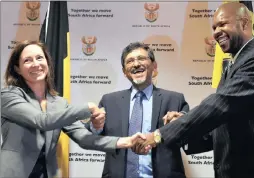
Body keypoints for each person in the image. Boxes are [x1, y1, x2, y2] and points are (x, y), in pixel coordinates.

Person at [132, 2, 254, 178]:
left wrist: (158, 136)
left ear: (245, 23)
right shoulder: (231, 65)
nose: (216, 32)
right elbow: (223, 121)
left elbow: (220, 105)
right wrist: (185, 124)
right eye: (214, 27)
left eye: (223, 24)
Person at [0, 40, 147, 178]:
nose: (35, 64)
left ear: (47, 62)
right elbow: (41, 121)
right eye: (27, 60)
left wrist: (127, 142)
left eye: (39, 58)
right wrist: (88, 107)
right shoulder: (9, 95)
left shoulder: (59, 103)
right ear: (17, 69)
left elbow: (84, 139)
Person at [89, 42, 189, 178]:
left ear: (154, 66)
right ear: (124, 72)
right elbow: (94, 138)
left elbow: (190, 132)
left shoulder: (174, 99)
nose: (136, 64)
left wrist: (180, 121)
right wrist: (95, 126)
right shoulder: (109, 101)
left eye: (141, 59)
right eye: (130, 61)